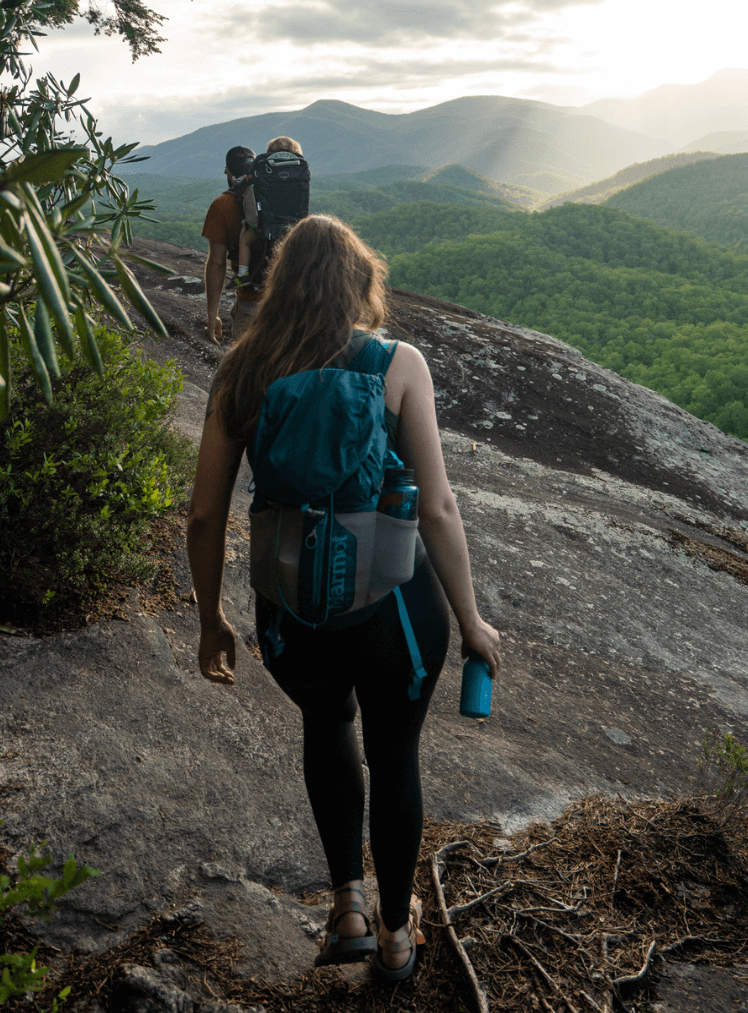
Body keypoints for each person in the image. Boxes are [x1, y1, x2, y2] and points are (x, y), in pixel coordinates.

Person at [186, 214, 502, 981]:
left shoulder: (240, 372)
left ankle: (348, 907)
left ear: (280, 283)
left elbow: (204, 513)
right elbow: (437, 508)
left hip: (292, 615)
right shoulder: (399, 364)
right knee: (396, 754)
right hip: (397, 608)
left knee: (327, 728)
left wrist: (211, 619)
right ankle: (398, 938)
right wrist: (470, 619)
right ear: (361, 282)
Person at [231, 135, 304, 287]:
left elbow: (246, 183)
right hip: (295, 224)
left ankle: (243, 275)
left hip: (267, 223)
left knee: (244, 241)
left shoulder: (264, 169)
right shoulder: (299, 170)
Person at [200, 144, 256, 343]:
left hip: (252, 301)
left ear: (227, 171)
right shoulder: (277, 200)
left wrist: (212, 314)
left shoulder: (222, 204)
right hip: (289, 299)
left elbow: (217, 263)